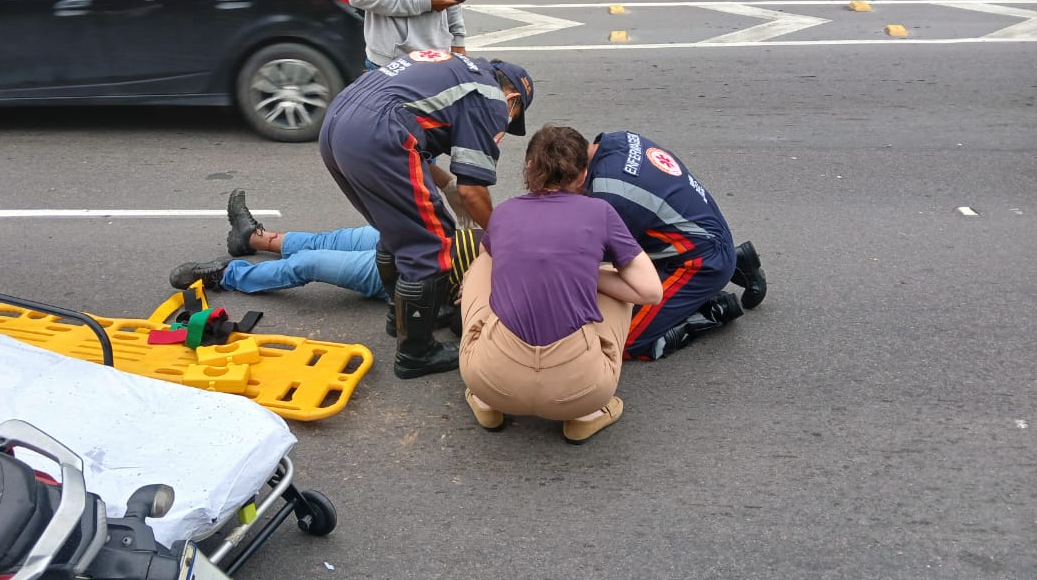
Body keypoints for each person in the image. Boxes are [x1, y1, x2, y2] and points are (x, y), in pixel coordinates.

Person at [318, 50, 534, 379]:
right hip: (376, 132)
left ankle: (401, 318)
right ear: (512, 98)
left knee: (400, 228)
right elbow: (473, 191)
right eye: (512, 115)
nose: (505, 123)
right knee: (432, 243)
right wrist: (502, 240)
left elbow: (418, 142)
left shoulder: (458, 71)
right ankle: (416, 353)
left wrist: (446, 187)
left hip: (339, 124)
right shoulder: (490, 96)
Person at [457, 125, 662, 444]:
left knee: (485, 260)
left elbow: (493, 263)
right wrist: (585, 273)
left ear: (529, 168)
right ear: (582, 175)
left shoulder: (505, 212)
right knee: (616, 277)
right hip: (583, 392)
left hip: (491, 381)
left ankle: (486, 403)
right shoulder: (600, 211)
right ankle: (587, 417)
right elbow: (650, 290)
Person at [168, 190, 481, 335]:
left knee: (309, 263)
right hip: (424, 239)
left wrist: (470, 299)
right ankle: (250, 238)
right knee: (330, 240)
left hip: (415, 274)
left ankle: (223, 276)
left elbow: (467, 321)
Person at [584, 130, 767, 361]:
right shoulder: (616, 140)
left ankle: (713, 308)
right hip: (702, 233)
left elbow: (585, 259)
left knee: (622, 342)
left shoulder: (611, 197)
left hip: (702, 262)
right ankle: (736, 260)